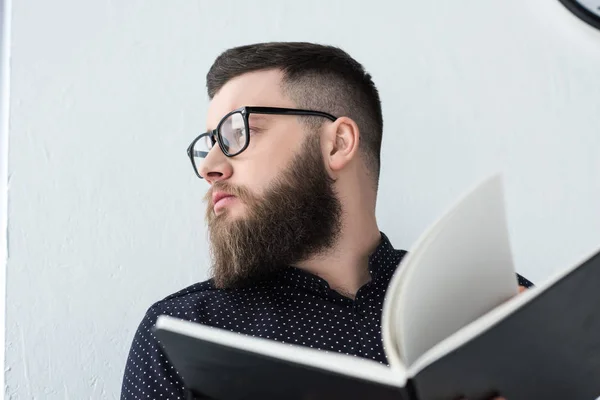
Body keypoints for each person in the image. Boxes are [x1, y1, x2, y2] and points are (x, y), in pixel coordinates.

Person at [120, 42, 533, 400]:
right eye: (209, 144)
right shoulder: (179, 334)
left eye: (236, 133)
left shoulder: (493, 302)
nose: (211, 166)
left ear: (337, 143)